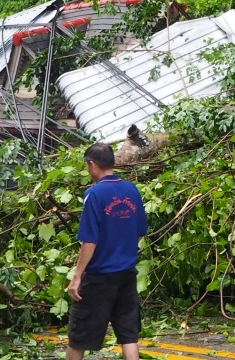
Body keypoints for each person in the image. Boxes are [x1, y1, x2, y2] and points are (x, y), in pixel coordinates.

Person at [66, 143, 148, 360]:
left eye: (86, 165)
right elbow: (139, 231)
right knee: (129, 335)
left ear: (92, 164)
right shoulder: (132, 190)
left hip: (99, 277)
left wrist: (77, 276)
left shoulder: (94, 194)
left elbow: (89, 240)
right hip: (127, 274)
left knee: (78, 336)